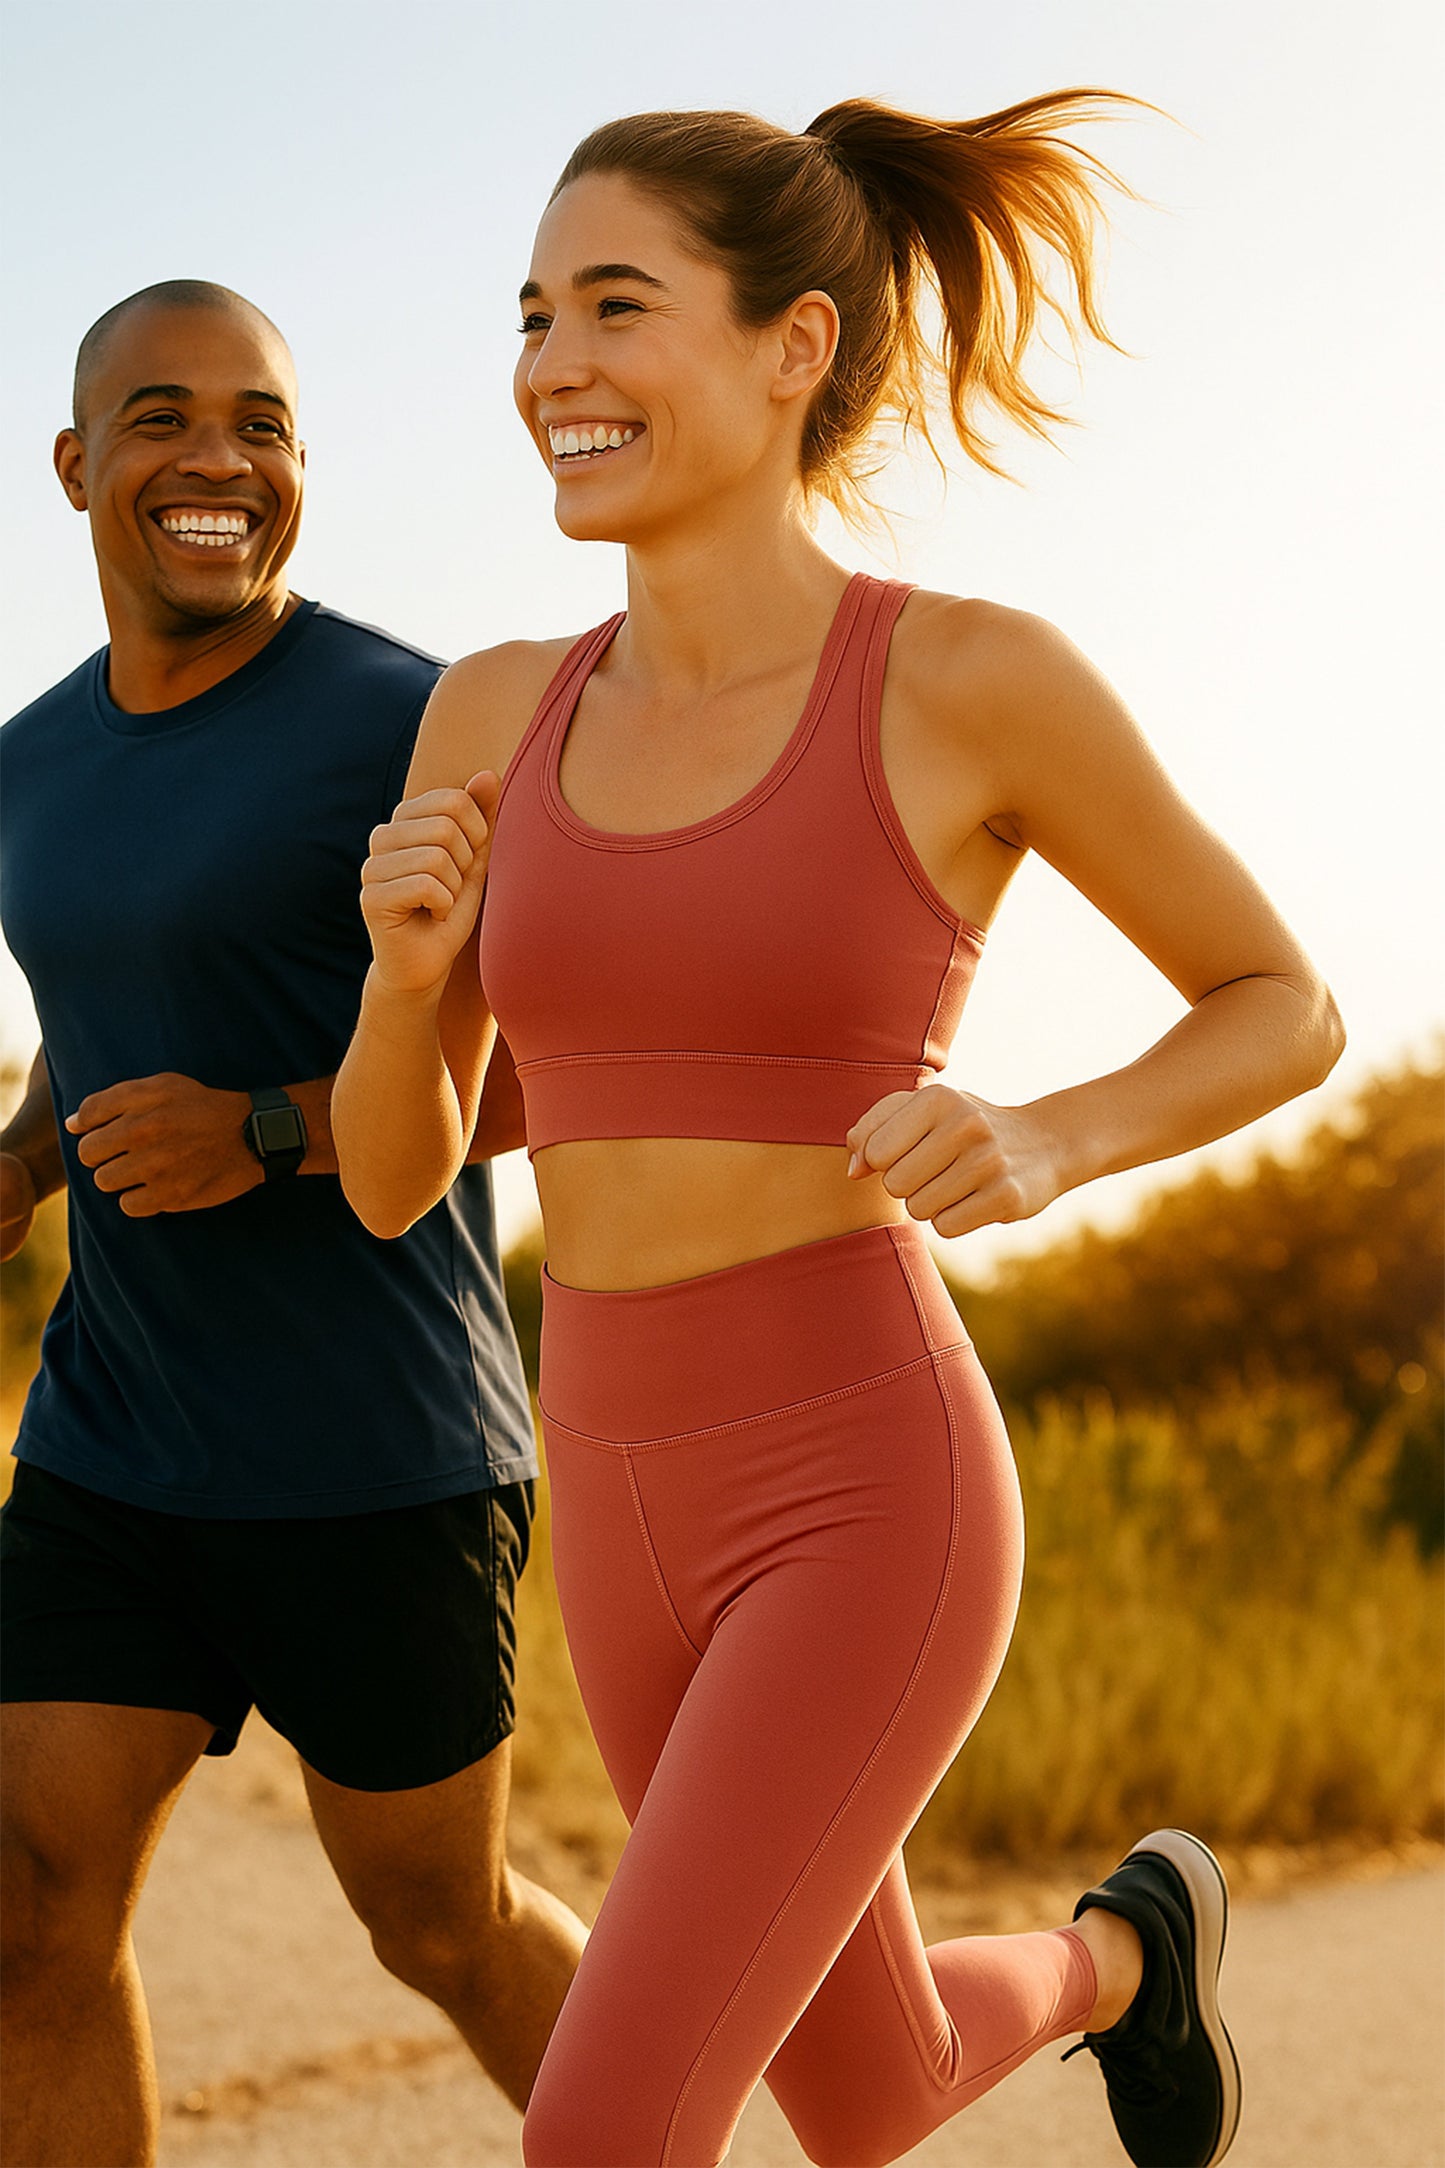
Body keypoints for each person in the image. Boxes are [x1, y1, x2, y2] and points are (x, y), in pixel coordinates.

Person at [332, 93, 1344, 2168]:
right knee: (866, 2091)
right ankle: (1129, 1953)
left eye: (617, 305)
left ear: (793, 344)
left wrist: (1049, 1137)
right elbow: (391, 1178)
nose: (551, 366)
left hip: (862, 1477)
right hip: (609, 1479)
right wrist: (404, 980)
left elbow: (1283, 1002)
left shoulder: (965, 677)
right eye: (531, 315)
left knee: (603, 2130)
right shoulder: (491, 707)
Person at [0, 280, 586, 2168]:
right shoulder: (30, 758)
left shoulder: (405, 722)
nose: (219, 460)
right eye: (164, 418)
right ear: (77, 464)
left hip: (373, 1448)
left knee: (439, 1923)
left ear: (303, 467)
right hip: (114, 1438)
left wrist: (268, 1128)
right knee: (26, 1906)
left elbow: (554, 1064)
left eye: (259, 424)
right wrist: (21, 1162)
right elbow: (111, 1001)